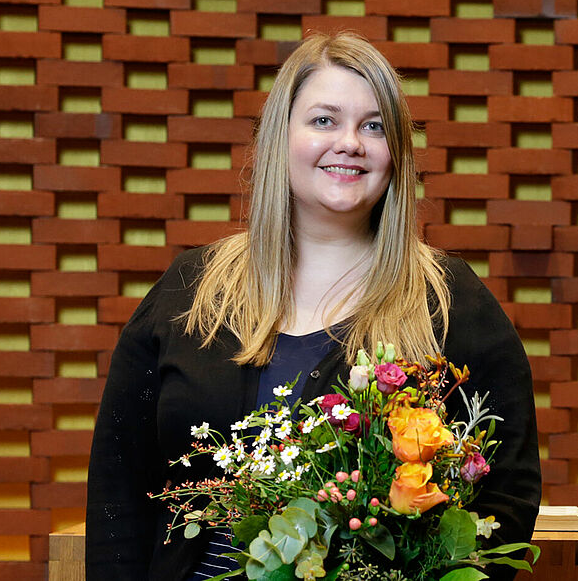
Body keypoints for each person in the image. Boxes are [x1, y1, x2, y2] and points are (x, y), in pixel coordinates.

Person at [86, 32, 541, 581]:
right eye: (324, 120)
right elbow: (119, 490)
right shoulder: (191, 292)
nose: (349, 142)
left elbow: (507, 498)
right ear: (281, 137)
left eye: (373, 126)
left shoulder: (451, 303)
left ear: (395, 153)